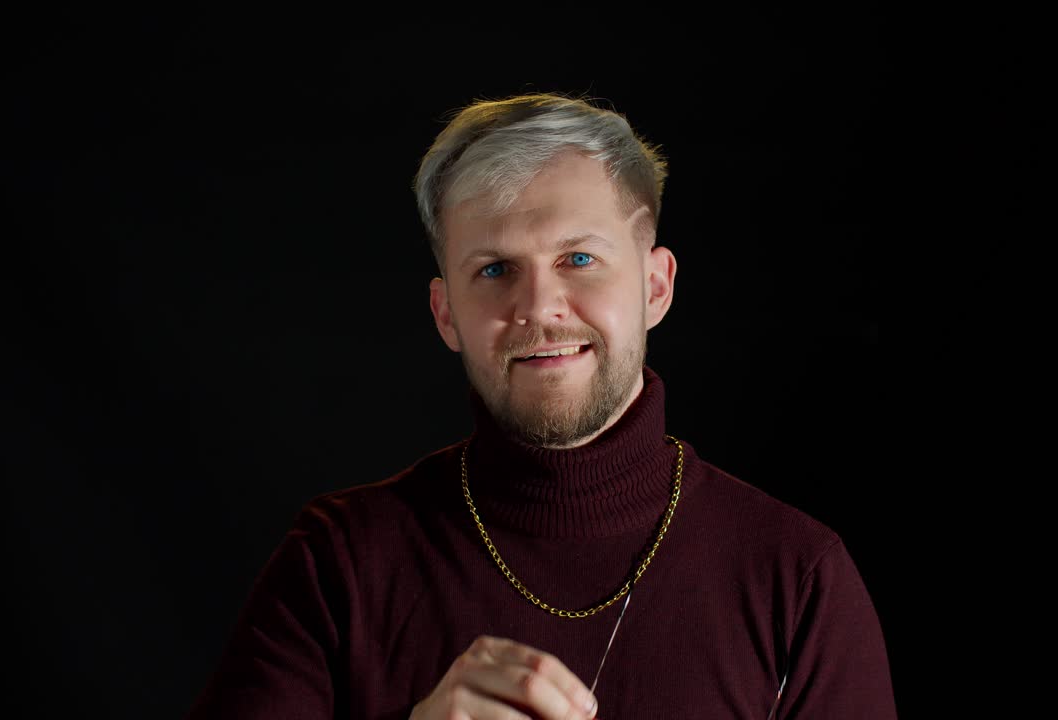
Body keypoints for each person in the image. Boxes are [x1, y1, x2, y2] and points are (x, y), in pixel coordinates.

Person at [185, 93, 898, 719]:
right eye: (494, 270)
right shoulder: (338, 562)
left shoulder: (797, 576)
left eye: (579, 259)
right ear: (445, 315)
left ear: (655, 287)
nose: (538, 308)